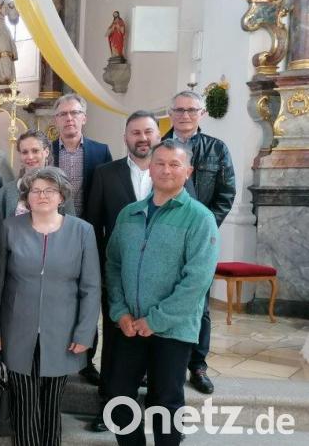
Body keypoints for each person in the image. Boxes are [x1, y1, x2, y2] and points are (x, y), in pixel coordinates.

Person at [105, 139, 219, 446]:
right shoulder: (129, 213)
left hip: (173, 328)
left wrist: (156, 320)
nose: (166, 170)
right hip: (130, 325)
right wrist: (120, 311)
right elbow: (113, 264)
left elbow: (197, 279)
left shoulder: (199, 218)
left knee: (165, 402)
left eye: (175, 164)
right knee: (119, 398)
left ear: (188, 171)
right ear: (150, 167)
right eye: (160, 163)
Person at [0, 167, 100, 446]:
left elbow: (91, 286)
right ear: (26, 197)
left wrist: (84, 333)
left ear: (61, 196)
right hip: (16, 330)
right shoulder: (9, 228)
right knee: (23, 405)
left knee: (51, 405)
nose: (42, 195)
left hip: (63, 332)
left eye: (49, 190)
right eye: (35, 190)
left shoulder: (82, 231)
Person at [83, 110, 164, 432]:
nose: (142, 138)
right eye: (135, 133)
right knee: (117, 341)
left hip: (162, 278)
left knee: (160, 343)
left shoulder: (171, 171)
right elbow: (93, 225)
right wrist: (100, 273)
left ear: (159, 135)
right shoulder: (106, 173)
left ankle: (161, 413)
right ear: (126, 137)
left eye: (148, 132)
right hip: (118, 274)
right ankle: (112, 407)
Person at [163, 90, 236, 395]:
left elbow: (226, 194)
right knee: (161, 296)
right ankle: (161, 362)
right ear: (171, 112)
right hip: (162, 235)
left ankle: (198, 365)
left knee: (200, 304)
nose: (184, 115)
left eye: (191, 110)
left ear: (202, 114)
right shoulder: (157, 146)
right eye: (179, 110)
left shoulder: (217, 150)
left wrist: (203, 227)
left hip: (200, 239)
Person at [50, 92, 111, 385]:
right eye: (63, 114)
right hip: (54, 234)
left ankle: (87, 361)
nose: (69, 119)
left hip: (90, 234)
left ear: (84, 118)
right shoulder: (47, 151)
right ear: (56, 120)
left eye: (74, 113)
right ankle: (55, 352)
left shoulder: (101, 151)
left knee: (89, 294)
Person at [0, 129, 74, 236]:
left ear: (46, 152)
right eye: (25, 152)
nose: (30, 157)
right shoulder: (5, 192)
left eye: (35, 151)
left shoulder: (61, 187)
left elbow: (71, 230)